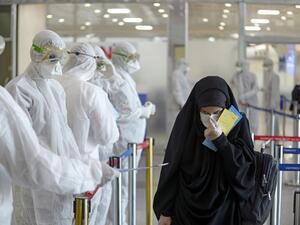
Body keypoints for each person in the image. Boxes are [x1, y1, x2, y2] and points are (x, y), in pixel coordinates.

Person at [0, 85, 119, 225]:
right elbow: (33, 165)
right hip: (60, 175)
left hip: (54, 176)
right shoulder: (90, 91)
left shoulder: (55, 86)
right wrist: (92, 172)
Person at [153, 76, 256, 225]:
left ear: (226, 108)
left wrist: (221, 140)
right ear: (196, 108)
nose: (211, 118)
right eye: (205, 113)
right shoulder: (186, 125)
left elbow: (245, 171)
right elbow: (172, 168)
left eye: (217, 113)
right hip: (186, 210)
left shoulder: (237, 125)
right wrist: (165, 210)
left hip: (225, 210)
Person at [5, 30, 83, 225]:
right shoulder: (19, 89)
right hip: (34, 178)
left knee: (61, 217)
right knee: (31, 218)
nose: (56, 63)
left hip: (60, 171)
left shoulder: (56, 88)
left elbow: (65, 132)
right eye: (52, 57)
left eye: (60, 57)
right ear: (36, 54)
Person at [57, 43, 120, 225]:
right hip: (84, 171)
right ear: (91, 63)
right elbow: (107, 136)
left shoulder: (51, 85)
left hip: (54, 169)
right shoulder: (91, 92)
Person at [104, 42, 156, 225]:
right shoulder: (115, 78)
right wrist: (144, 111)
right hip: (124, 142)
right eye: (131, 58)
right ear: (120, 57)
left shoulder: (124, 77)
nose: (135, 62)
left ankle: (121, 220)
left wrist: (142, 109)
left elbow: (127, 107)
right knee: (122, 185)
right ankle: (116, 221)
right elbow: (125, 112)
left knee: (127, 185)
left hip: (131, 140)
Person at [168, 58, 194, 134]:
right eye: (186, 65)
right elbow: (177, 90)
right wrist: (182, 103)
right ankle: (173, 145)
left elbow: (187, 87)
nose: (187, 68)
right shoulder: (176, 74)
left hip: (182, 106)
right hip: (177, 106)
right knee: (175, 126)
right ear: (182, 65)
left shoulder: (183, 75)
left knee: (181, 127)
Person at [231, 61, 259, 133]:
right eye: (237, 66)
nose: (238, 68)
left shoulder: (252, 76)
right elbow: (233, 88)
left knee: (253, 123)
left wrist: (243, 96)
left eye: (240, 66)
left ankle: (253, 141)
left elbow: (255, 89)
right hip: (240, 103)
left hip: (252, 103)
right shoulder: (235, 77)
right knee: (241, 122)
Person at [263, 58, 280, 135]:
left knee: (273, 122)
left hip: (273, 105)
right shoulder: (266, 76)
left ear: (271, 66)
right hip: (267, 103)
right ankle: (268, 138)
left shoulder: (275, 77)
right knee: (267, 122)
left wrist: (272, 104)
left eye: (267, 65)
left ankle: (273, 140)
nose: (265, 67)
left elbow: (274, 92)